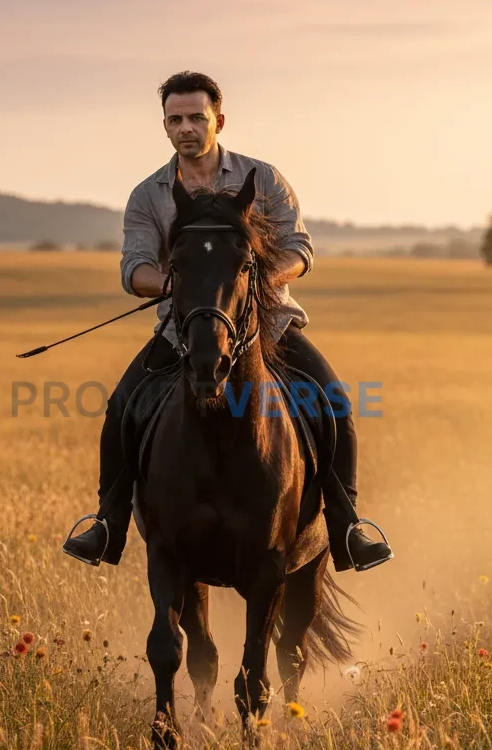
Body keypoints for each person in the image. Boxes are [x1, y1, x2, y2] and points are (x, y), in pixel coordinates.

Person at [63, 70, 392, 573]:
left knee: (336, 403)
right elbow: (135, 268)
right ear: (165, 126)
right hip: (184, 331)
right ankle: (107, 524)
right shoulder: (148, 195)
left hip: (269, 327)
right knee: (121, 408)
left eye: (196, 117)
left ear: (219, 119)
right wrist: (178, 286)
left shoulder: (262, 178)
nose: (186, 128)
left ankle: (347, 526)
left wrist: (256, 283)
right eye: (175, 119)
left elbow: (300, 249)